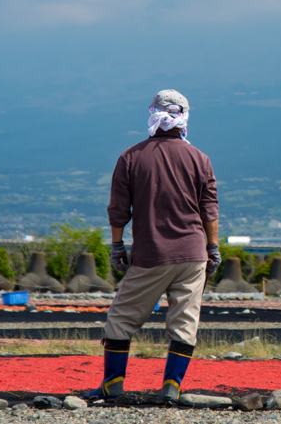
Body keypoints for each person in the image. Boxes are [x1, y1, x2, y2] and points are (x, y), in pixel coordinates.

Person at [88, 89, 221, 402]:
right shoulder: (200, 159)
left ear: (153, 114)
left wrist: (117, 246)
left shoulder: (131, 157)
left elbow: (118, 209)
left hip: (151, 255)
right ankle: (171, 389)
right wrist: (212, 248)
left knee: (121, 319)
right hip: (193, 254)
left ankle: (113, 384)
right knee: (185, 322)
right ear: (184, 118)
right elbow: (209, 208)